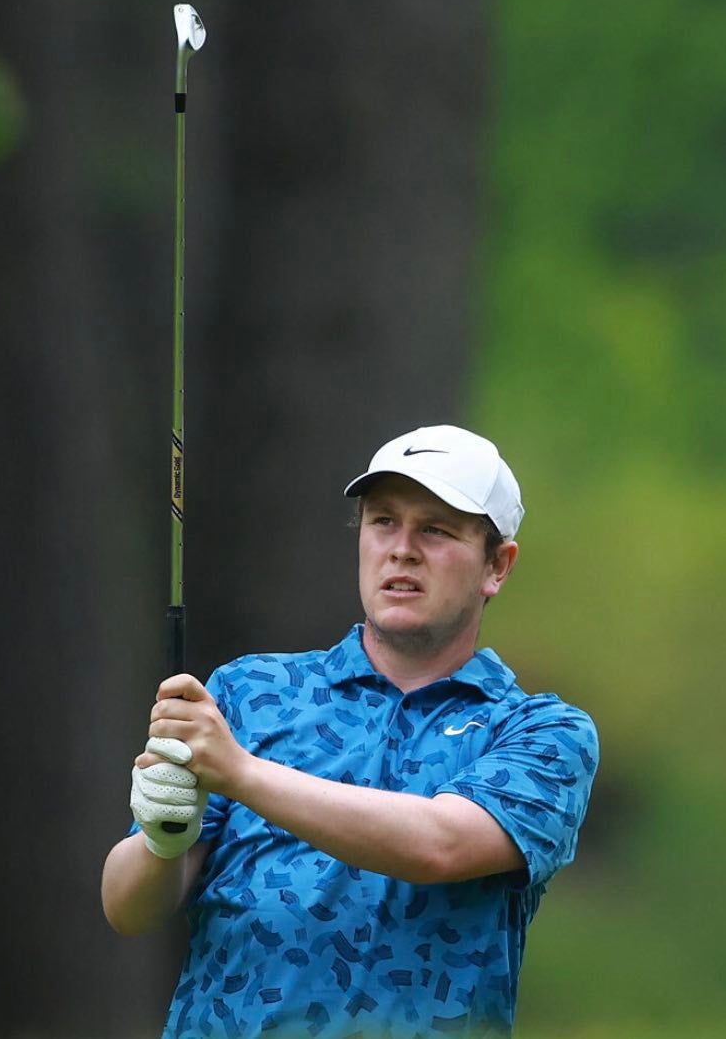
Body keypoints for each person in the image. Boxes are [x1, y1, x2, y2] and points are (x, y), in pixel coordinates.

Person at [101, 424, 598, 1038]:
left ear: (497, 565)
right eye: (383, 521)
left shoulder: (540, 732)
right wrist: (163, 838)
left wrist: (240, 773)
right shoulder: (249, 692)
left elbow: (438, 845)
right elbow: (126, 907)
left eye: (436, 530)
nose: (402, 549)